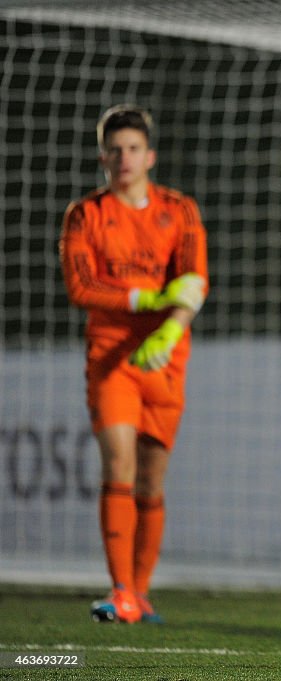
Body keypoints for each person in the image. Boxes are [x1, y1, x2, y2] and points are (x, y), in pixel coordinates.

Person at [60, 104, 209, 624]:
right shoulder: (85, 215)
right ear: (104, 158)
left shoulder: (180, 211)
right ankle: (120, 589)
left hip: (165, 359)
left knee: (151, 479)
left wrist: (170, 328)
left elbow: (193, 282)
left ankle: (140, 595)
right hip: (111, 357)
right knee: (118, 464)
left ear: (150, 156)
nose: (124, 159)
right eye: (115, 150)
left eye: (133, 149)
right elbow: (80, 286)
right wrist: (142, 300)